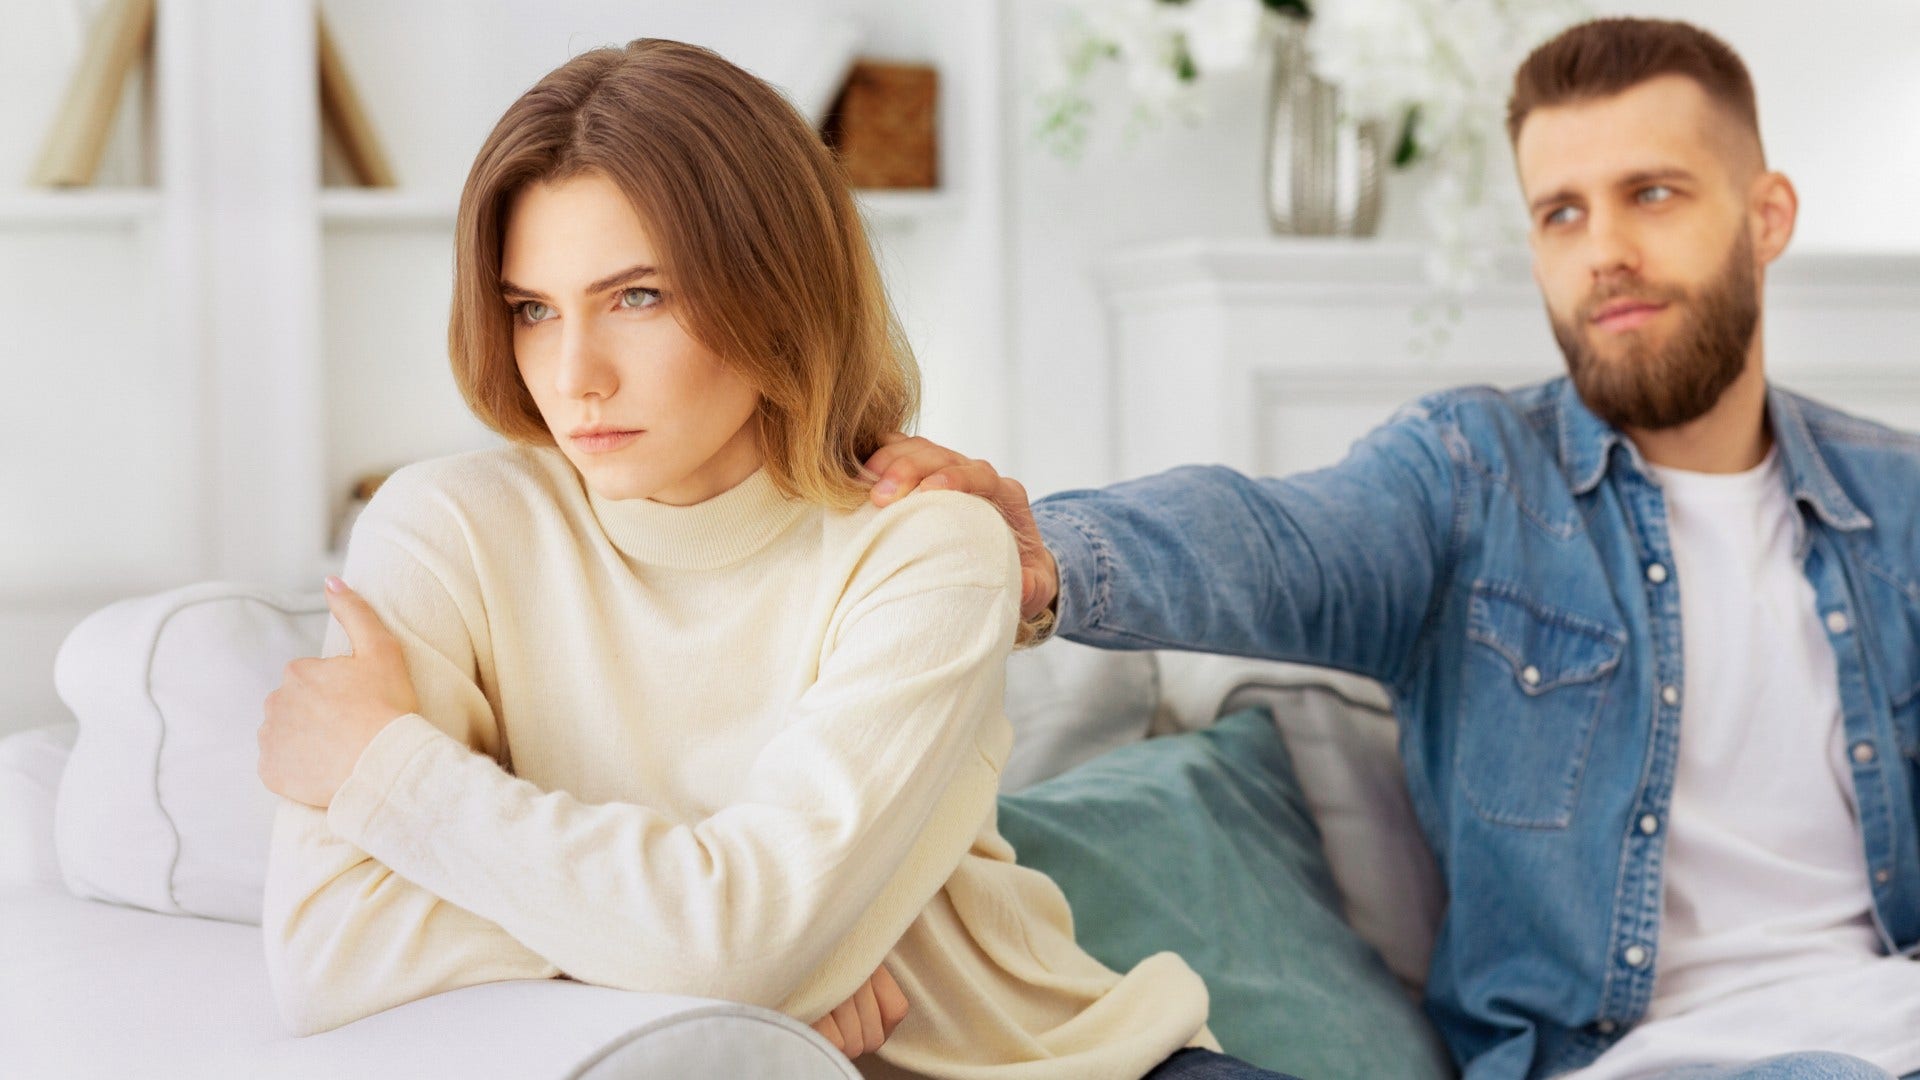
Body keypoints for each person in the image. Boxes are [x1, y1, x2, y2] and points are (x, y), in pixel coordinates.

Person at [866, 17, 1920, 1080]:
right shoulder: (1473, 479)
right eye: (1561, 212)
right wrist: (1046, 549)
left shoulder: (1900, 499)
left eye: (1652, 193)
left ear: (1767, 216)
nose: (1603, 251)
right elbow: (1273, 541)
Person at [253, 37, 1297, 1080]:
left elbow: (742, 952)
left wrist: (387, 772)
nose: (574, 377)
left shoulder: (926, 545)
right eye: (533, 309)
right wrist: (747, 956)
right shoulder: (446, 531)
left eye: (638, 297)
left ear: (774, 285)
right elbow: (328, 956)